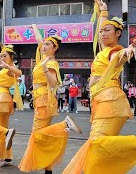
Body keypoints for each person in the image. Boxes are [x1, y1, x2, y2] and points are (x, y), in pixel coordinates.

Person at [63, 0, 136, 174]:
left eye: (108, 31)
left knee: (96, 144)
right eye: (102, 31)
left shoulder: (116, 50)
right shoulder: (103, 50)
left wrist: (127, 52)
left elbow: (120, 57)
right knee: (96, 153)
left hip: (110, 101)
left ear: (118, 33)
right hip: (100, 102)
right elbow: (101, 32)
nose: (103, 34)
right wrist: (103, 12)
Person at [18, 24, 82, 174]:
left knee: (37, 134)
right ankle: (48, 169)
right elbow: (39, 40)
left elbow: (53, 82)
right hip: (40, 98)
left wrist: (46, 67)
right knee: (44, 135)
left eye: (48, 44)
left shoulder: (51, 63)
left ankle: (63, 125)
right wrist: (34, 27)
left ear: (55, 48)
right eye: (44, 44)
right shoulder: (43, 58)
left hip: (44, 99)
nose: (44, 46)